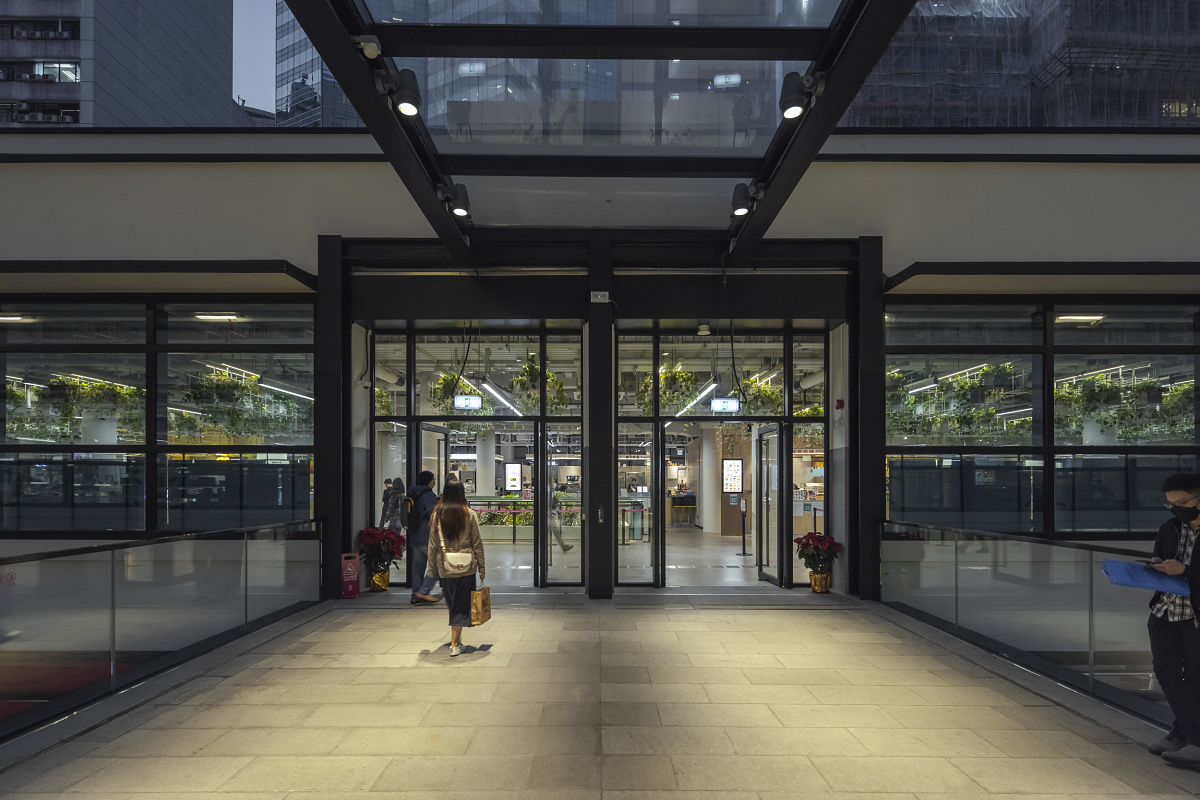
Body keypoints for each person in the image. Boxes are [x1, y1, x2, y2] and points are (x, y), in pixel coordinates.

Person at [1146, 472, 1200, 765]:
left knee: (1195, 678)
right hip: (1165, 611)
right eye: (1171, 504)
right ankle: (1183, 734)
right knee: (1167, 674)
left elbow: (1186, 570)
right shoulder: (1170, 528)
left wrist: (1185, 571)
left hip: (1194, 615)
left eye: (1183, 502)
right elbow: (1160, 558)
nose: (1178, 508)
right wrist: (1156, 566)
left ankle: (1191, 738)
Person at [427, 480, 485, 657]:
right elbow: (477, 543)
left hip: (445, 567)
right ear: (462, 494)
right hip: (467, 568)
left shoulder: (437, 515)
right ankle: (454, 644)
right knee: (460, 605)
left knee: (453, 604)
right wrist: (482, 566)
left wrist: (431, 569)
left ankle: (456, 639)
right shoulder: (469, 514)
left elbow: (432, 544)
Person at [405, 471, 441, 605]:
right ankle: (424, 592)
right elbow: (434, 516)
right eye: (434, 479)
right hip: (427, 537)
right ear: (430, 481)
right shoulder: (428, 495)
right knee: (439, 565)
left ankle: (415, 594)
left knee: (418, 567)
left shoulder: (411, 493)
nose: (435, 482)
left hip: (414, 536)